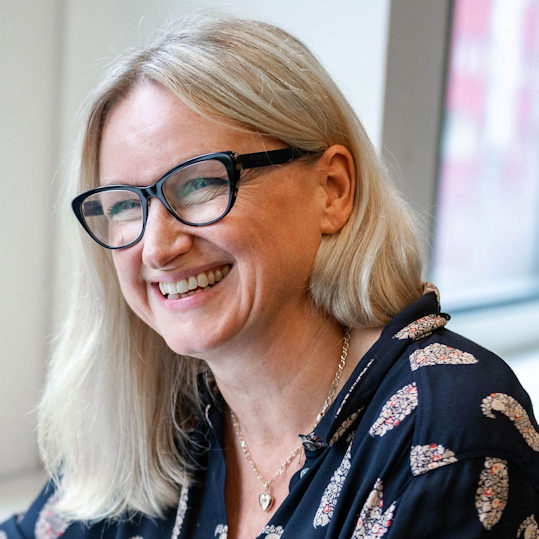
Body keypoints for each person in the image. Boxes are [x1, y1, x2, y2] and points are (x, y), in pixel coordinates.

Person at [2, 13, 538, 539]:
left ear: (332, 191)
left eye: (201, 184)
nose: (158, 248)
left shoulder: (445, 437)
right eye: (124, 206)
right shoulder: (166, 412)